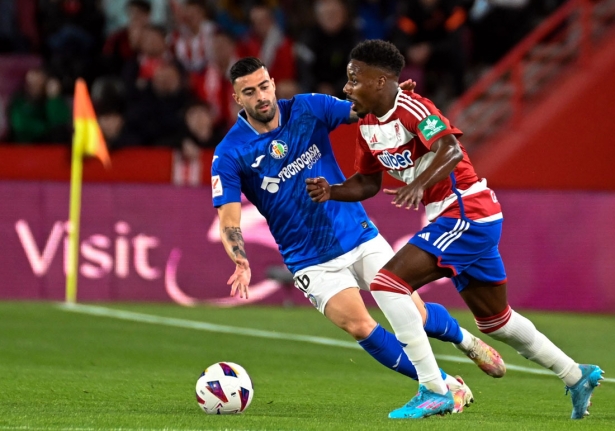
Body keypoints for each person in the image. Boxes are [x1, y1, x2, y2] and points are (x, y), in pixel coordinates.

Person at [305, 39, 604, 420]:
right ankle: (576, 374)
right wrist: (333, 191)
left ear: (381, 81)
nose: (346, 87)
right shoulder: (366, 125)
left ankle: (433, 389)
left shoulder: (413, 107)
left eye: (354, 79)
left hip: (465, 210)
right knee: (497, 322)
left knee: (387, 284)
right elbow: (368, 182)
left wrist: (418, 182)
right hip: (459, 217)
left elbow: (450, 150)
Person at [211, 57, 507, 416]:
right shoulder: (230, 152)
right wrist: (239, 258)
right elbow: (228, 217)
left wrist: (392, 98)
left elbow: (362, 109)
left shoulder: (308, 107)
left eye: (263, 86)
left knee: (415, 312)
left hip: (357, 234)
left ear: (273, 82)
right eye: (249, 92)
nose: (260, 96)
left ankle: (465, 340)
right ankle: (444, 385)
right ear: (236, 98)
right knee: (359, 324)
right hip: (307, 257)